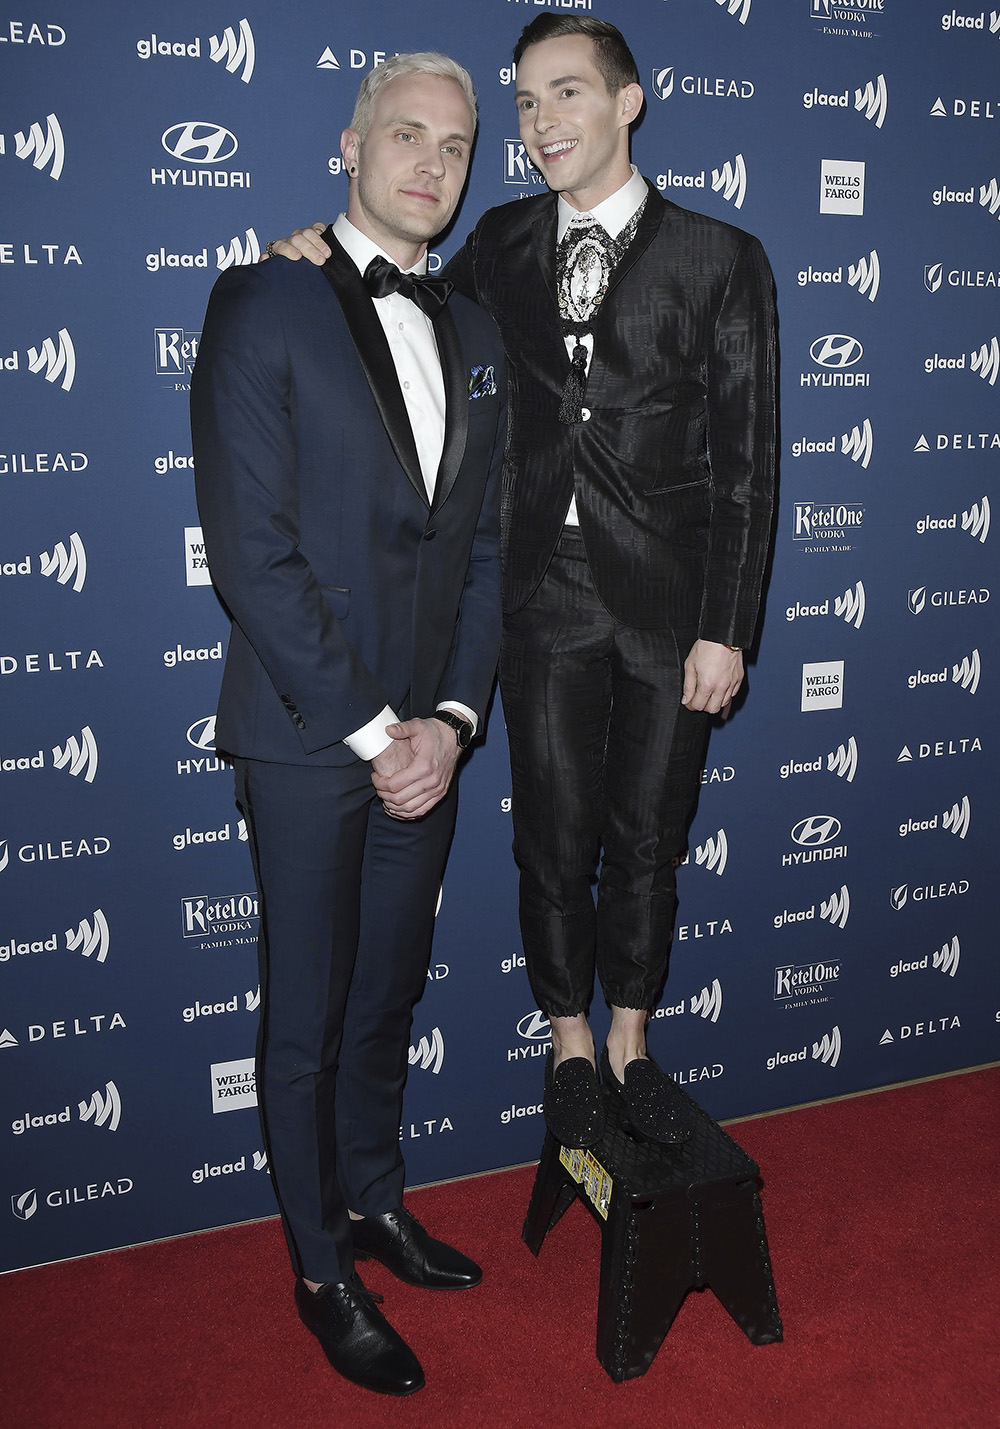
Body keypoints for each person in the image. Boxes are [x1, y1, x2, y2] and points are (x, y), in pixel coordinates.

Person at [272, 15, 776, 1151]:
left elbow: (750, 464)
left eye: (566, 95)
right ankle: (569, 1043)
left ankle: (634, 1040)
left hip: (666, 605)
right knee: (550, 833)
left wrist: (726, 628)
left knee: (650, 833)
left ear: (627, 102)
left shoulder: (719, 258)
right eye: (527, 103)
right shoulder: (495, 240)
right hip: (536, 597)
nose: (542, 123)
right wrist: (309, 257)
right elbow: (391, 289)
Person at [190, 53, 505, 1398]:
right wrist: (381, 733)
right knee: (307, 1016)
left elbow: (484, 552)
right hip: (309, 734)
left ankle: (374, 1198)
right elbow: (248, 558)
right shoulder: (263, 300)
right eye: (406, 135)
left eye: (455, 143)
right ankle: (321, 1270)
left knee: (387, 997)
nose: (431, 163)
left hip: (425, 742)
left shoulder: (480, 334)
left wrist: (446, 718)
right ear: (351, 141)